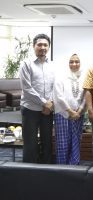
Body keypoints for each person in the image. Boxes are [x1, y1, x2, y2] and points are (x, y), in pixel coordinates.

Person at [20, 33, 55, 163]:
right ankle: (28, 172)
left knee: (47, 142)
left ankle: (46, 171)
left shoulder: (52, 65)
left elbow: (54, 87)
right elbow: (27, 89)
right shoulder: (26, 64)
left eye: (45, 45)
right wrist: (45, 103)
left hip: (47, 111)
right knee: (31, 143)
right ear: (34, 46)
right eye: (39, 44)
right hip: (30, 110)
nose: (42, 47)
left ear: (49, 47)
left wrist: (50, 103)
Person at [53, 54, 86, 165]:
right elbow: (59, 96)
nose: (74, 64)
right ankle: (62, 168)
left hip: (78, 115)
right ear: (67, 63)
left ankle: (74, 168)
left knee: (75, 141)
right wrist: (70, 111)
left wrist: (80, 111)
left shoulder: (84, 77)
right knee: (63, 143)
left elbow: (86, 95)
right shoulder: (60, 76)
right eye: (71, 62)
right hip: (63, 114)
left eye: (77, 62)